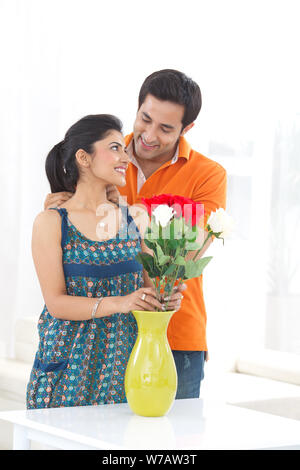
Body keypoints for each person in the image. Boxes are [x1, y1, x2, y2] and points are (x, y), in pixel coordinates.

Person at [44, 69, 227, 400]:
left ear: (187, 129)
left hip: (177, 333)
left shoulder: (208, 175)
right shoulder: (106, 156)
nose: (149, 134)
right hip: (104, 334)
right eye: (145, 119)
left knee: (169, 446)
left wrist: (124, 214)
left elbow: (189, 254)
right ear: (138, 107)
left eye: (166, 128)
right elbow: (70, 226)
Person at [26, 114, 183, 409]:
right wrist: (120, 302)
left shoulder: (135, 220)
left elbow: (152, 292)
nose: (125, 156)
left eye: (124, 149)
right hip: (65, 376)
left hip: (125, 373)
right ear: (83, 158)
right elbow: (56, 303)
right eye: (115, 148)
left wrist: (168, 297)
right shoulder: (51, 222)